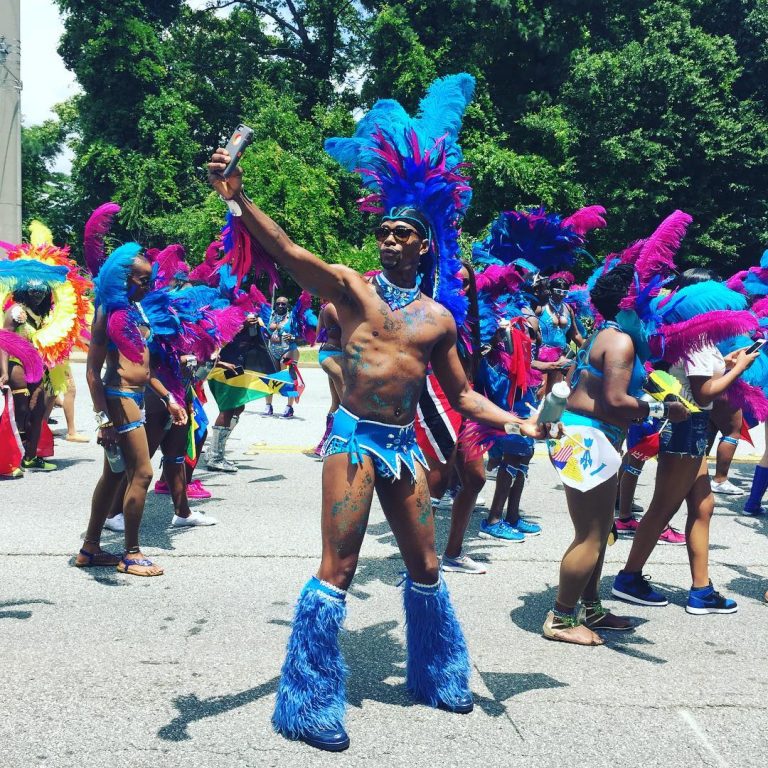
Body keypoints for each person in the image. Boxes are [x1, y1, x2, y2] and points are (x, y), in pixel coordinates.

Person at [207, 82, 555, 749]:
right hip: (353, 441)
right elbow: (285, 251)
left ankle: (437, 672)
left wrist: (519, 422)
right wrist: (239, 196)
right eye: (385, 234)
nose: (391, 243)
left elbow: (463, 397)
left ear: (425, 247)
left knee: (425, 566)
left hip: (403, 448)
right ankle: (308, 704)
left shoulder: (438, 320)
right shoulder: (350, 289)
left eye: (404, 236)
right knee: (338, 568)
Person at [545, 264, 690, 645]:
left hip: (591, 436)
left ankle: (590, 608)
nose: (658, 298)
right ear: (634, 298)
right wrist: (662, 410)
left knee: (602, 528)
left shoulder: (609, 331)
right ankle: (560, 619)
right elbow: (615, 401)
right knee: (591, 535)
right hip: (587, 439)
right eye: (652, 292)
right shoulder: (621, 341)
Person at [612, 269, 760, 614]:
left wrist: (726, 363)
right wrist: (739, 368)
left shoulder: (690, 338)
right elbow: (703, 390)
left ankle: (701, 589)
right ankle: (630, 578)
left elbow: (696, 375)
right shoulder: (696, 340)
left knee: (703, 505)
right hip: (686, 428)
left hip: (689, 429)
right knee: (664, 506)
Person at [75, 244, 187, 576]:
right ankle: (131, 553)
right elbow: (92, 373)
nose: (148, 286)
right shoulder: (106, 313)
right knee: (142, 473)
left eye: (150, 280)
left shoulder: (138, 312)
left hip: (137, 396)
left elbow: (145, 370)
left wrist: (169, 398)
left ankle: (90, 549)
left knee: (112, 477)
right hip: (119, 399)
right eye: (142, 280)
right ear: (123, 280)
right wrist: (102, 419)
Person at [314, 300, 343, 456]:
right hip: (334, 355)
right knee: (347, 403)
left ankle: (323, 444)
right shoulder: (332, 306)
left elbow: (319, 334)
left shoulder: (327, 307)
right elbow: (349, 327)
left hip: (334, 355)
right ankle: (331, 445)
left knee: (337, 403)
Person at [262, 296, 299, 418]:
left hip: (288, 350)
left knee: (288, 377)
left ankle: (289, 407)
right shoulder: (270, 316)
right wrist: (268, 336)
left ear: (287, 306)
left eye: (284, 304)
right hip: (272, 350)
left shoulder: (292, 317)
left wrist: (292, 337)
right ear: (275, 305)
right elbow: (264, 331)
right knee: (271, 377)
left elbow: (302, 333)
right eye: (278, 304)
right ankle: (268, 406)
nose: (281, 306)